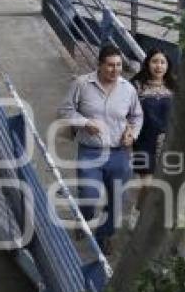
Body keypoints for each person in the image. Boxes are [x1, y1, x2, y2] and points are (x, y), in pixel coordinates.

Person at [57, 44, 142, 255]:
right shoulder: (82, 84)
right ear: (99, 65)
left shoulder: (128, 89)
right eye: (110, 66)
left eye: (119, 65)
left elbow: (136, 115)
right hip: (90, 151)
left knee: (116, 200)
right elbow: (64, 110)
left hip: (118, 153)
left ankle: (104, 235)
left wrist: (133, 133)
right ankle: (83, 219)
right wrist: (85, 122)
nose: (115, 70)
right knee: (89, 194)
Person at [130, 49, 177, 204]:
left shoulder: (173, 87)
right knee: (148, 184)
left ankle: (143, 216)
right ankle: (138, 214)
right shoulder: (136, 86)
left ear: (168, 66)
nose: (159, 66)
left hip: (168, 142)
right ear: (148, 63)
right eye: (155, 61)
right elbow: (124, 111)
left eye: (163, 62)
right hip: (143, 141)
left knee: (162, 186)